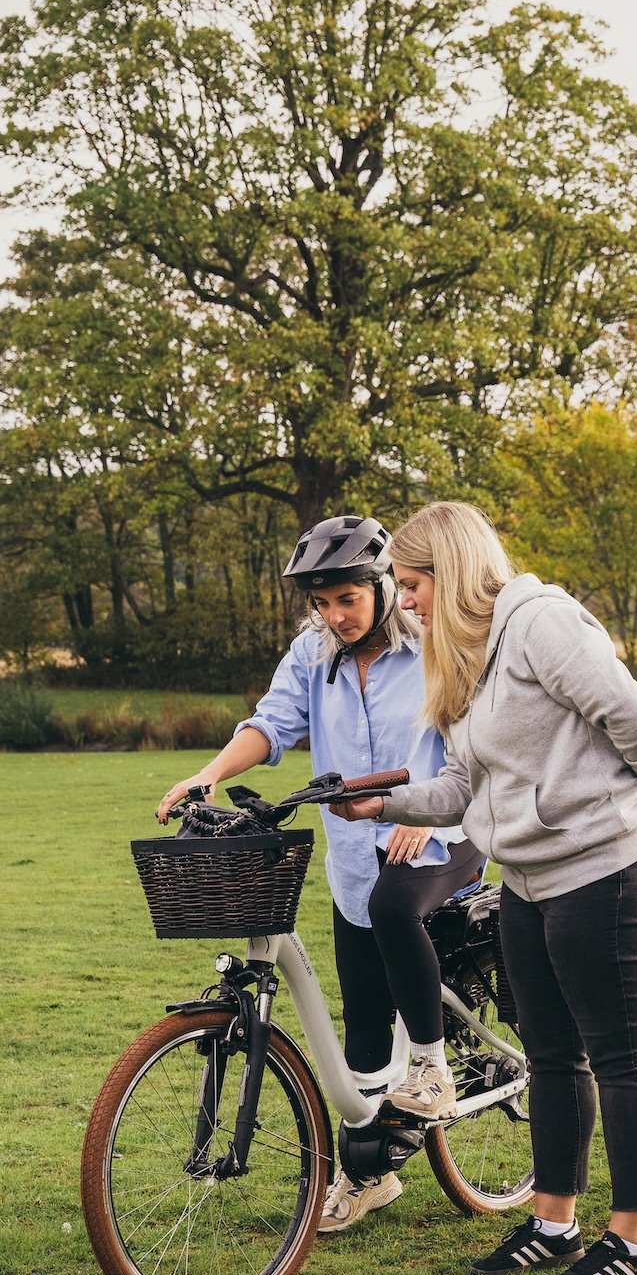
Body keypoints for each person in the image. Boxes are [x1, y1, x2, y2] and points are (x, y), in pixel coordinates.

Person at [330, 500, 637, 1275]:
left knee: (622, 1059)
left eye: (414, 582)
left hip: (604, 871)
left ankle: (633, 1238)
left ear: (451, 571)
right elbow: (462, 786)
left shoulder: (540, 624)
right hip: (526, 881)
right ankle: (553, 1223)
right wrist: (378, 805)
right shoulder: (464, 655)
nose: (408, 600)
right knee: (554, 1057)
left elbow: (636, 720)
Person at [155, 514, 481, 1234]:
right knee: (361, 1026)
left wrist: (426, 811)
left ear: (384, 583)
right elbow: (270, 726)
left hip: (441, 835)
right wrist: (207, 776)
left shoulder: (434, 643)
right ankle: (369, 1178)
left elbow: (471, 738)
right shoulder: (313, 653)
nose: (335, 616)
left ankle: (431, 1066)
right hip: (353, 857)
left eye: (348, 600)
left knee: (400, 909)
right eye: (323, 603)